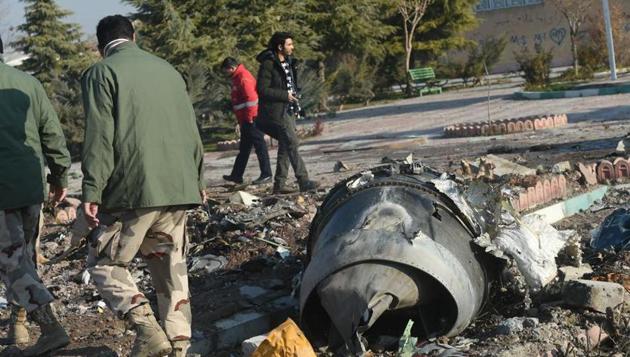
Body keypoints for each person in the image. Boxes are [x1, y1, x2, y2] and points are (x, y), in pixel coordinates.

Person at [80, 15, 205, 357]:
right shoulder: (168, 69)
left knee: (103, 264)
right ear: (134, 36)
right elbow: (191, 130)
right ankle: (179, 347)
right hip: (179, 187)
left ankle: (148, 330)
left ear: (99, 46)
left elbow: (100, 138)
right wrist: (198, 179)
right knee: (170, 269)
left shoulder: (101, 73)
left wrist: (91, 190)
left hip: (133, 190)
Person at [0, 35, 72, 356]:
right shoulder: (28, 83)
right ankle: (19, 323)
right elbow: (51, 133)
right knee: (23, 258)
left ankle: (49, 326)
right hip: (31, 187)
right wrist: (60, 176)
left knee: (13, 263)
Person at [255, 32, 319, 194]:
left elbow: (289, 83)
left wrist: (295, 95)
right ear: (280, 46)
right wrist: (285, 95)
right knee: (292, 143)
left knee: (286, 144)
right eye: (289, 44)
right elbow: (261, 90)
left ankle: (279, 186)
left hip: (289, 110)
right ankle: (303, 180)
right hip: (276, 112)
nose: (292, 47)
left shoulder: (289, 62)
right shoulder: (268, 64)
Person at [221, 57, 272, 185]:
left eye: (225, 71)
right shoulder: (237, 77)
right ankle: (237, 175)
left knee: (260, 146)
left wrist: (249, 118)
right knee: (244, 148)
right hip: (246, 119)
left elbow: (251, 99)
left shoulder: (243, 77)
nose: (225, 74)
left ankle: (266, 174)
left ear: (231, 68)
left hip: (252, 118)